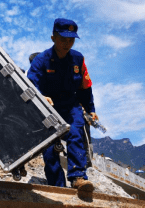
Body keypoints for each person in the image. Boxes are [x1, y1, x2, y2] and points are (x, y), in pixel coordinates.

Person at [27, 18, 98, 192]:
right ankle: (57, 186)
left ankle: (78, 177)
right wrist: (41, 97)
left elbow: (85, 87)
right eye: (63, 39)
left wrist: (91, 109)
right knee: (50, 147)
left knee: (75, 133)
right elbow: (30, 84)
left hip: (70, 105)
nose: (67, 44)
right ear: (53, 38)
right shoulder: (41, 60)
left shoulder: (78, 59)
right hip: (47, 108)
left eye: (71, 40)